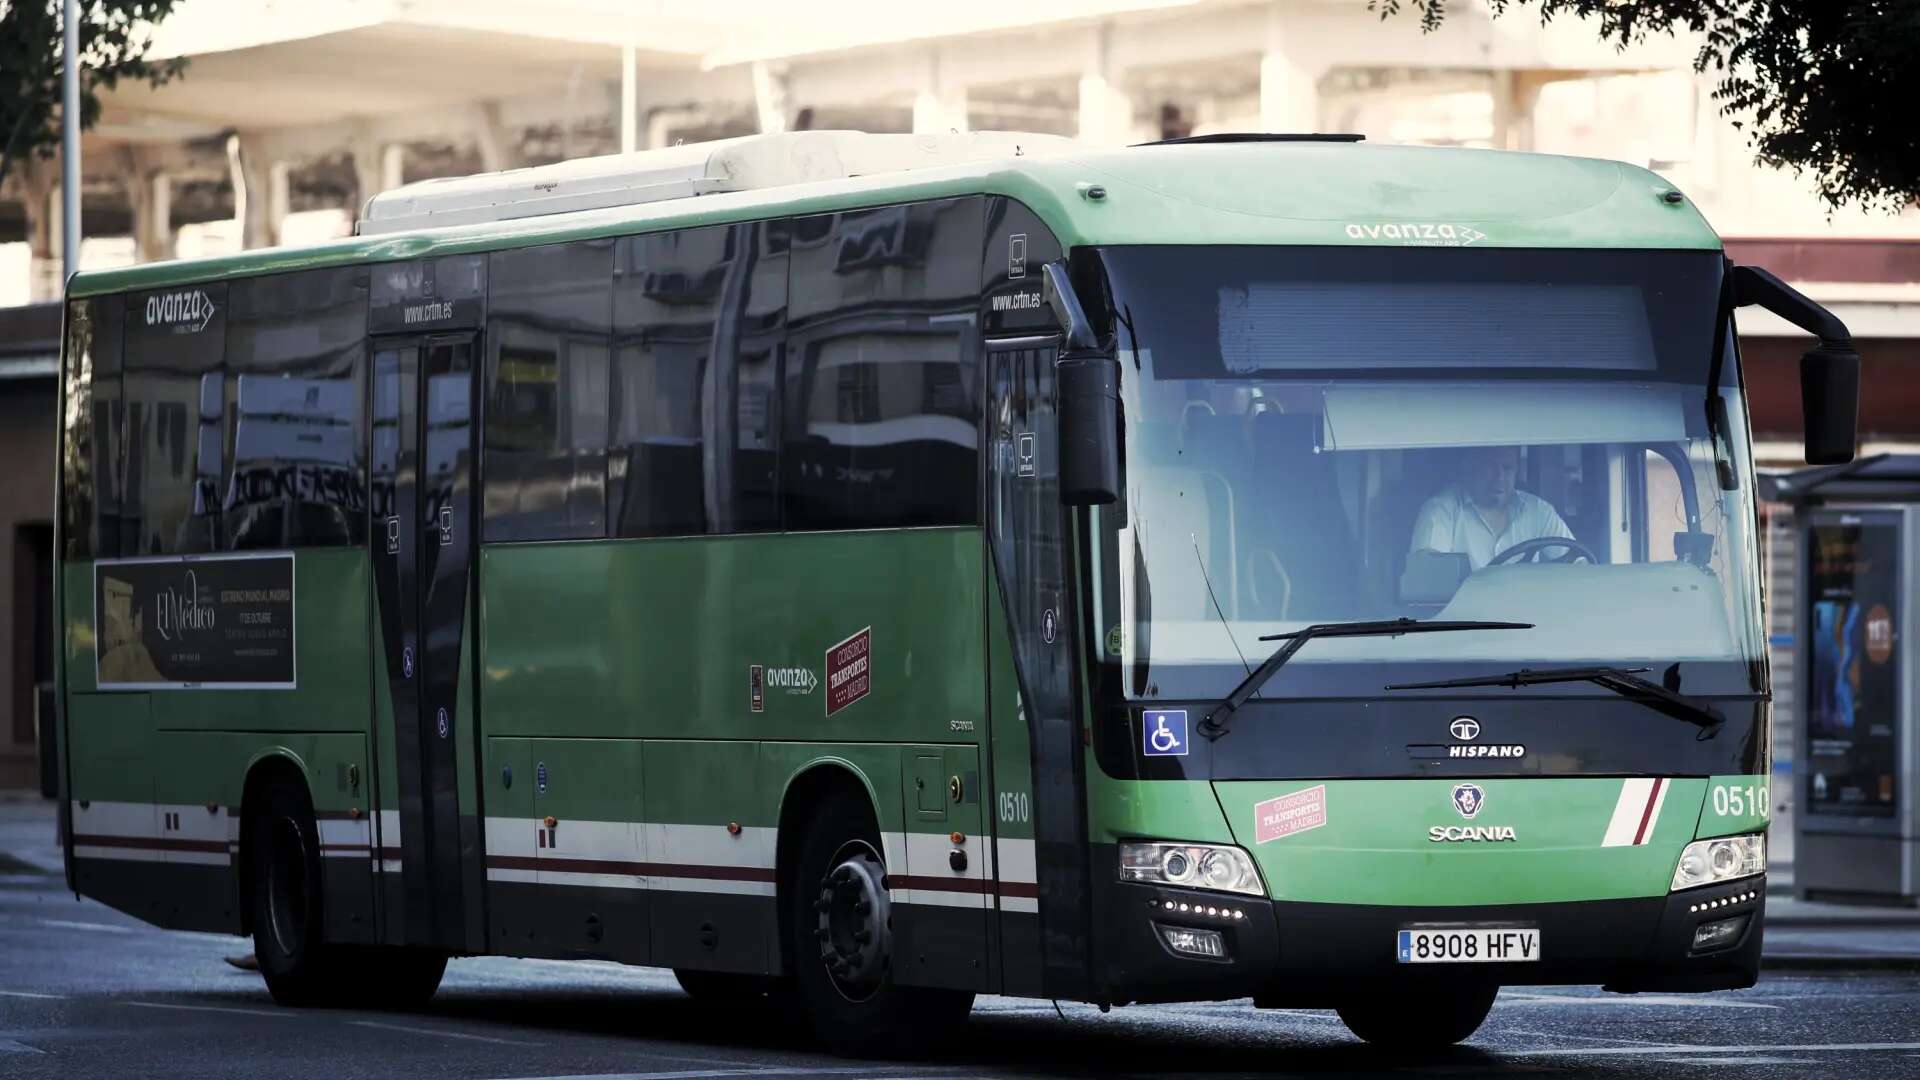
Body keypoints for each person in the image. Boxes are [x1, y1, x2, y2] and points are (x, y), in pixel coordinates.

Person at [1410, 446, 1574, 570]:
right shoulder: (1440, 511)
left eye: (1507, 468)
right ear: (1469, 467)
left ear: (1516, 470)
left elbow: (1577, 564)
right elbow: (1427, 577)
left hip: (1528, 613)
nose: (1499, 477)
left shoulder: (1539, 511)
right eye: (1489, 467)